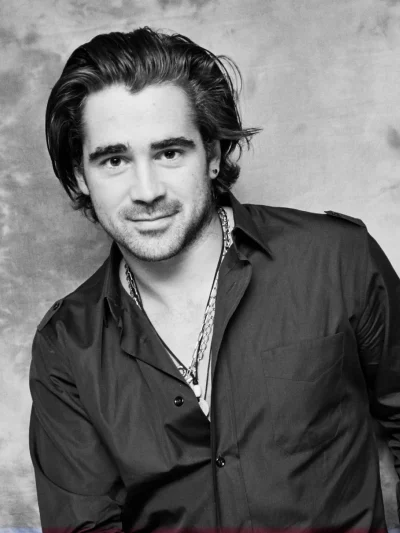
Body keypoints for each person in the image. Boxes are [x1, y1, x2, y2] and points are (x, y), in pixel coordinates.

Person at [29, 26, 400, 532]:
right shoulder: (66, 346)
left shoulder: (336, 260)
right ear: (80, 176)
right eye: (114, 160)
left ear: (214, 154)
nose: (146, 191)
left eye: (169, 153)